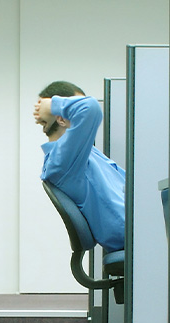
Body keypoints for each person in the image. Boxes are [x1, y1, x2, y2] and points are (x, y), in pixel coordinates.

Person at [33, 81, 126, 252]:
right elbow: (90, 108)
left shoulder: (83, 154)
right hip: (130, 233)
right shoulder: (62, 161)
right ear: (61, 118)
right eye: (71, 105)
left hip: (136, 227)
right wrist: (52, 105)